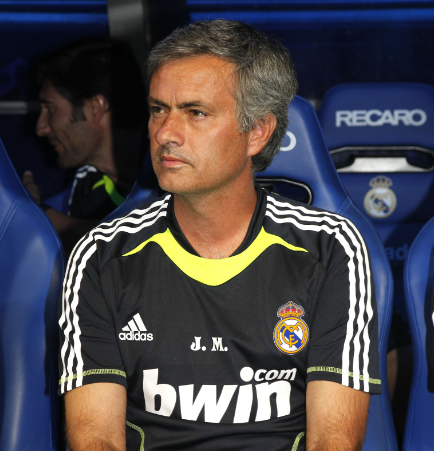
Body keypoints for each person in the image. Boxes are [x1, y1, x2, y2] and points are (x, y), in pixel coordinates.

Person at [59, 20, 381, 451]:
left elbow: (333, 440)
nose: (165, 133)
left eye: (195, 112)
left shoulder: (331, 248)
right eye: (158, 110)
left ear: (258, 131)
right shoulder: (101, 255)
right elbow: (95, 438)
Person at [22, 37, 147, 254]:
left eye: (50, 109)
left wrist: (36, 216)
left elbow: (146, 245)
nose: (41, 128)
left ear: (94, 108)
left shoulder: (173, 172)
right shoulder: (83, 191)